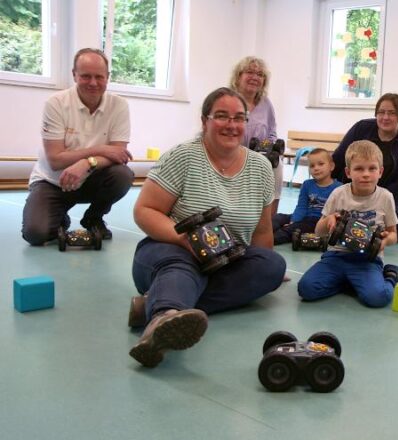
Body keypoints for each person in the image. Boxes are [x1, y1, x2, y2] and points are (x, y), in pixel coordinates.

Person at [128, 87, 286, 368]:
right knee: (181, 267)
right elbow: (145, 211)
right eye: (222, 116)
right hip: (172, 249)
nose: (231, 124)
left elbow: (262, 231)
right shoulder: (183, 157)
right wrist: (186, 240)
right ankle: (161, 318)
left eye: (239, 118)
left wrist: (262, 268)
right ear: (205, 121)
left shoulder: (261, 167)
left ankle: (156, 303)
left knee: (272, 266)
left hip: (227, 259)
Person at [22, 48, 134, 244]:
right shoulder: (56, 103)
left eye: (99, 77)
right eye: (85, 76)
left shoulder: (119, 105)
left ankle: (93, 218)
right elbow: (56, 160)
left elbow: (119, 155)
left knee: (122, 174)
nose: (93, 82)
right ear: (74, 75)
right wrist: (99, 150)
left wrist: (86, 163)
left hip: (90, 179)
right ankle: (59, 217)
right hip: (53, 182)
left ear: (108, 77)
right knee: (35, 234)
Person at [298, 140, 398, 308]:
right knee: (306, 289)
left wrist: (384, 241)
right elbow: (318, 232)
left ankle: (390, 274)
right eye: (359, 169)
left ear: (380, 172)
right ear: (348, 172)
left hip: (367, 259)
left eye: (372, 168)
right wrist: (328, 220)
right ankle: (350, 282)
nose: (366, 174)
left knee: (378, 298)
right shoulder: (338, 194)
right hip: (336, 256)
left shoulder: (386, 197)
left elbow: (394, 234)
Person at [332, 93, 398, 242]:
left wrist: (375, 201)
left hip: (387, 195)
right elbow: (339, 158)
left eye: (392, 113)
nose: (385, 117)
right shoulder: (361, 128)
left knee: (396, 232)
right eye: (381, 112)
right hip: (354, 189)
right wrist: (330, 188)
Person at [230, 56, 283, 216]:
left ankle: (270, 220)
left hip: (260, 154)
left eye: (260, 75)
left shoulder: (265, 103)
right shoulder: (229, 99)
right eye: (250, 72)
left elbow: (272, 131)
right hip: (233, 152)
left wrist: (269, 147)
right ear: (238, 76)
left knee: (277, 165)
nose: (255, 77)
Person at [272, 148, 342, 244]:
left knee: (290, 230)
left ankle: (266, 240)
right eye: (312, 166)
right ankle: (261, 233)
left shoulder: (339, 188)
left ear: (331, 166)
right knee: (278, 217)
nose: (316, 168)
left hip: (318, 222)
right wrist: (294, 220)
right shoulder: (307, 184)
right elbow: (301, 206)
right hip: (304, 216)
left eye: (321, 164)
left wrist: (293, 225)